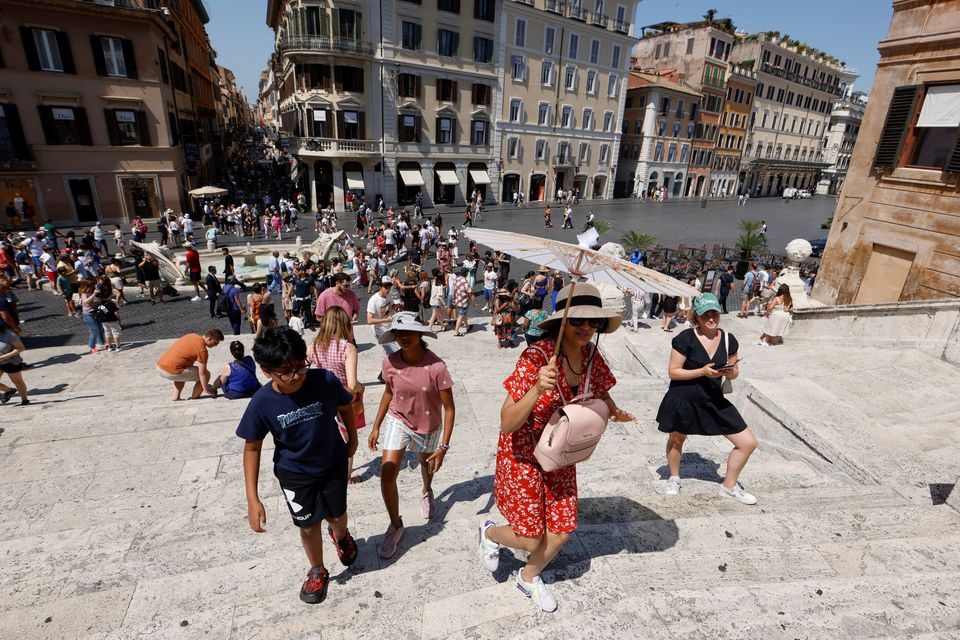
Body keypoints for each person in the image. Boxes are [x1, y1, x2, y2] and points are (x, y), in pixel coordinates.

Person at [480, 283, 634, 612]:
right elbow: (507, 422)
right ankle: (490, 533)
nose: (587, 328)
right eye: (578, 320)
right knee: (531, 537)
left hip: (561, 451)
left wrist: (615, 410)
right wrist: (537, 388)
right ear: (562, 322)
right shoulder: (536, 357)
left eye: (594, 322)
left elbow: (602, 389)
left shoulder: (591, 354)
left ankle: (528, 576)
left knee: (563, 531)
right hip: (524, 453)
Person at [236, 327, 358, 605]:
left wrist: (352, 439)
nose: (295, 376)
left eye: (300, 367)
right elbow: (252, 447)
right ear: (266, 371)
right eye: (285, 371)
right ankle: (317, 568)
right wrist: (252, 498)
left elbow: (346, 406)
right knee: (308, 525)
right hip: (295, 474)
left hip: (332, 463)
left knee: (337, 516)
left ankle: (341, 536)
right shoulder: (261, 402)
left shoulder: (324, 380)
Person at [655, 293, 758, 504]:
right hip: (683, 398)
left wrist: (731, 372)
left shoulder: (729, 340)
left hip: (713, 399)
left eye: (714, 314)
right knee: (677, 439)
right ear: (696, 316)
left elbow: (735, 370)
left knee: (748, 443)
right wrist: (701, 371)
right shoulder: (685, 338)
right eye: (705, 315)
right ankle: (674, 477)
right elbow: (674, 372)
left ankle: (729, 486)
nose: (711, 319)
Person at [368, 312, 455, 559]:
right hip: (399, 419)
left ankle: (427, 490)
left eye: (408, 332)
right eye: (398, 333)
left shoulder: (437, 367)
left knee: (425, 465)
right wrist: (376, 426)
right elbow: (388, 393)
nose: (403, 337)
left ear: (420, 334)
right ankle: (395, 525)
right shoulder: (390, 362)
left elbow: (449, 408)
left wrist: (444, 446)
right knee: (387, 472)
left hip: (428, 423)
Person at [309, 307, 365, 483]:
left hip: (320, 396)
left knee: (326, 435)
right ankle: (346, 477)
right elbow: (352, 383)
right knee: (347, 439)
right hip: (342, 399)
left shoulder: (313, 346)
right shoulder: (347, 348)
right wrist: (361, 388)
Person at [156, 328, 224, 401]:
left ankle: (176, 397)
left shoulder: (192, 335)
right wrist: (206, 389)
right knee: (207, 374)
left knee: (181, 369)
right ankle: (195, 396)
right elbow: (202, 373)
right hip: (171, 372)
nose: (216, 345)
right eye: (215, 343)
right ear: (210, 339)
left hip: (160, 367)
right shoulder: (202, 350)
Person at [0, 318, 28, 404]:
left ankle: (24, 399)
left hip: (11, 362)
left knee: (18, 382)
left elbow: (21, 348)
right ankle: (9, 390)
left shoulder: (9, 334)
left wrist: (4, 357)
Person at [79, 280, 105, 354]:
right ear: (86, 286)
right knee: (94, 331)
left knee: (100, 328)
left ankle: (102, 343)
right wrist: (94, 294)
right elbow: (86, 301)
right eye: (91, 286)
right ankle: (92, 347)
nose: (93, 287)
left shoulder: (91, 291)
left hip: (96, 313)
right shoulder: (84, 294)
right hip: (88, 315)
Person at [452, 267, 473, 336]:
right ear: (466, 274)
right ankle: (456, 331)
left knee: (463, 314)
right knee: (461, 316)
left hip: (458, 300)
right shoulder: (466, 282)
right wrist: (473, 301)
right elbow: (470, 292)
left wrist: (453, 298)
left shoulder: (456, 279)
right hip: (464, 302)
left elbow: (453, 289)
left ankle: (467, 327)